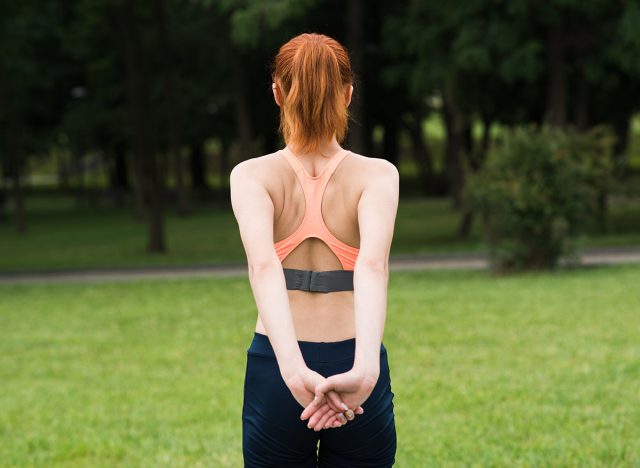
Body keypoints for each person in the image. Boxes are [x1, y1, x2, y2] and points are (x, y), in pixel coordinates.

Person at [230, 32, 399, 467]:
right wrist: (365, 370)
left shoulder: (251, 176)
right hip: (355, 358)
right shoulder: (378, 175)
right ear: (347, 94)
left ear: (277, 92)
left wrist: (292, 370)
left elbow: (264, 267)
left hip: (277, 364)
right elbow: (373, 267)